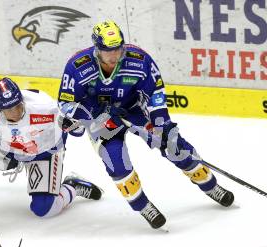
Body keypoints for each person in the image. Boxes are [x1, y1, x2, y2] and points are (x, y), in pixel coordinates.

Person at [57, 20, 234, 229]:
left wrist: (163, 124)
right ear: (97, 50)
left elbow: (156, 93)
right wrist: (94, 113)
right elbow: (65, 103)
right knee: (117, 163)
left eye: (117, 48)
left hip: (134, 111)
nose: (114, 55)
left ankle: (211, 185)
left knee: (174, 146)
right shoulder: (78, 66)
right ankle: (143, 206)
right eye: (108, 51)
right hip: (101, 122)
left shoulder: (139, 60)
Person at [0, 77, 103, 218]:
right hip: (11, 148)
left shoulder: (47, 108)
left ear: (21, 99)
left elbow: (78, 128)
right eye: (8, 109)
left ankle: (73, 185)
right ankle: (11, 158)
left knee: (45, 209)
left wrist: (72, 125)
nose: (15, 112)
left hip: (45, 150)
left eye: (17, 105)